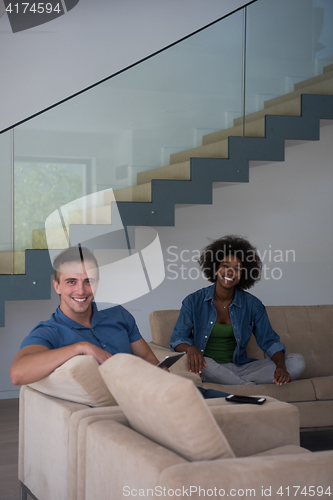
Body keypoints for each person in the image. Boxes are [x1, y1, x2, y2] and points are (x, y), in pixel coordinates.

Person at [10, 246, 227, 400]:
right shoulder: (50, 331)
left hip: (155, 393)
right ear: (56, 286)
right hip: (134, 407)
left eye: (89, 281)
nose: (81, 290)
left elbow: (148, 358)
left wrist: (158, 372)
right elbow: (18, 373)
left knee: (234, 401)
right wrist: (81, 347)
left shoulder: (116, 313)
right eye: (71, 282)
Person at [170, 235, 305, 386]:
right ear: (215, 269)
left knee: (297, 361)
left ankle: (234, 383)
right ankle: (247, 387)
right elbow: (177, 339)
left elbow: (270, 342)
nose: (230, 272)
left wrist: (281, 367)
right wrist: (191, 348)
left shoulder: (253, 304)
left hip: (242, 368)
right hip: (208, 366)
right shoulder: (193, 301)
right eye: (225, 266)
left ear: (243, 274)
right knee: (199, 363)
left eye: (237, 269)